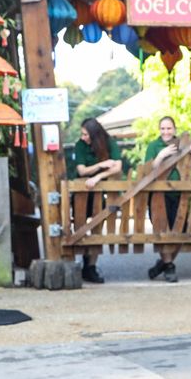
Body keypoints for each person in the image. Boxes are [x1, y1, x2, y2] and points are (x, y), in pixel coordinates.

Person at [69, 117, 123, 283]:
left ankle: (91, 266)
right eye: (82, 134)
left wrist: (99, 176)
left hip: (100, 191)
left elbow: (117, 167)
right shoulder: (80, 145)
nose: (83, 137)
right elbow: (82, 170)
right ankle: (84, 261)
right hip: (82, 192)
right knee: (80, 227)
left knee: (97, 228)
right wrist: (101, 165)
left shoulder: (109, 143)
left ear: (94, 134)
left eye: (86, 134)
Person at [143, 114, 191, 284]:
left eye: (169, 128)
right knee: (162, 231)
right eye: (163, 128)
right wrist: (161, 155)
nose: (166, 131)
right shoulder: (153, 146)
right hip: (159, 195)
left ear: (175, 129)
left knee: (181, 231)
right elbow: (148, 170)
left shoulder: (182, 144)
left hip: (180, 194)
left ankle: (163, 264)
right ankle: (169, 265)